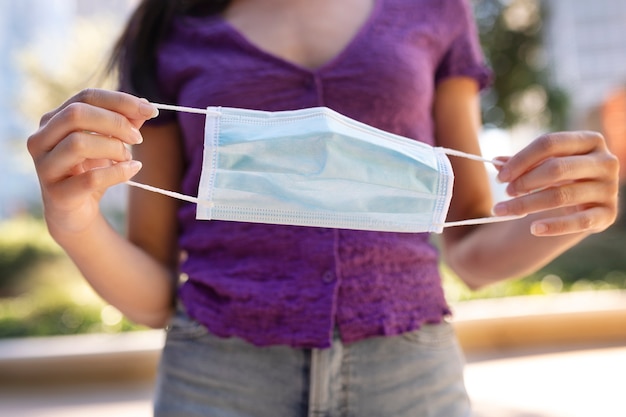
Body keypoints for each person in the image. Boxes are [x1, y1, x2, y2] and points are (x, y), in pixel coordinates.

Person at [27, 0, 619, 416]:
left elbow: (471, 253)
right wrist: (75, 221)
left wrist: (571, 213)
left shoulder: (435, 9)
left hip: (409, 378)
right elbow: (156, 292)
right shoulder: (170, 23)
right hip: (219, 379)